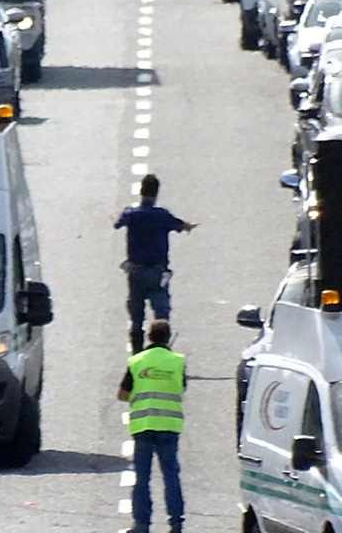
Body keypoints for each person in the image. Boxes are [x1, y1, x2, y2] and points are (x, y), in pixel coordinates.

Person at [114, 174, 197, 353]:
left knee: (136, 316)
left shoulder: (131, 214)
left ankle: (136, 354)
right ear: (156, 193)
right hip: (157, 273)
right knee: (161, 312)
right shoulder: (162, 215)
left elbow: (118, 223)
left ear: (141, 191)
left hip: (135, 272)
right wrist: (189, 226)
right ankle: (161, 351)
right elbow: (181, 225)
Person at [117, 320, 185, 533]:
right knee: (171, 475)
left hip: (143, 425)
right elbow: (182, 387)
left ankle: (141, 524)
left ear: (149, 337)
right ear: (168, 337)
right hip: (169, 425)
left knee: (142, 477)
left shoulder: (136, 361)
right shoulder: (178, 361)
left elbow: (122, 394)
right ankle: (175, 523)